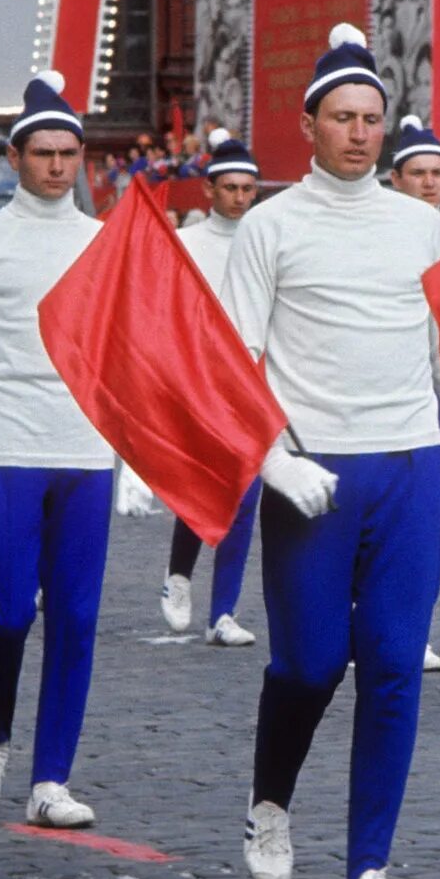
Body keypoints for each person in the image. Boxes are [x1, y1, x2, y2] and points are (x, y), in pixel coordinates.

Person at [226, 25, 440, 879]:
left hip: (409, 467)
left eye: (372, 118)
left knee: (395, 665)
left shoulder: (429, 228)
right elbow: (236, 360)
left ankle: (369, 865)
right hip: (312, 476)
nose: (359, 133)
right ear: (308, 124)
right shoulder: (271, 227)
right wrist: (275, 460)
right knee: (311, 663)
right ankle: (270, 803)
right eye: (342, 117)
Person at [0, 73, 159, 829]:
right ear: (16, 156)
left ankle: (51, 777)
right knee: (1, 613)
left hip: (85, 451)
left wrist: (131, 460)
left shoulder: (103, 244)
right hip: (6, 445)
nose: (58, 167)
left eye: (69, 153)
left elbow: (124, 359)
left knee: (75, 615)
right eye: (44, 153)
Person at [160, 130, 262, 647]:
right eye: (231, 188)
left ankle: (223, 612)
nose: (241, 198)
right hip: (200, 382)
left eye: (249, 188)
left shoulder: (266, 239)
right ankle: (179, 576)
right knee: (201, 490)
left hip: (254, 384)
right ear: (209, 190)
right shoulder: (188, 245)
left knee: (246, 497)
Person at [387, 114, 440, 671]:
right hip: (386, 397)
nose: (430, 182)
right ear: (397, 178)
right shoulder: (378, 232)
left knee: (432, 523)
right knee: (380, 523)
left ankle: (416, 628)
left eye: (438, 172)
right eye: (418, 172)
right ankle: (363, 617)